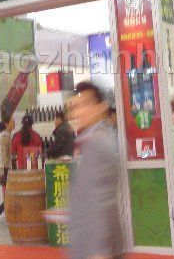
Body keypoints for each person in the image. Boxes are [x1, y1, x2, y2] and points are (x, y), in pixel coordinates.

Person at [68, 81, 124, 259]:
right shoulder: (93, 138)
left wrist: (99, 249)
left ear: (101, 107)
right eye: (75, 106)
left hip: (96, 247)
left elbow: (101, 198)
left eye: (86, 104)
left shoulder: (97, 142)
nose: (79, 112)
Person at [0, 116, 15, 223]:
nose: (14, 124)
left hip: (8, 168)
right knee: (10, 194)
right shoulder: (5, 137)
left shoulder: (8, 136)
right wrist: (2, 171)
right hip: (6, 169)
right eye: (12, 122)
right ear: (7, 124)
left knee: (10, 194)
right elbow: (3, 155)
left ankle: (0, 209)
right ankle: (0, 209)